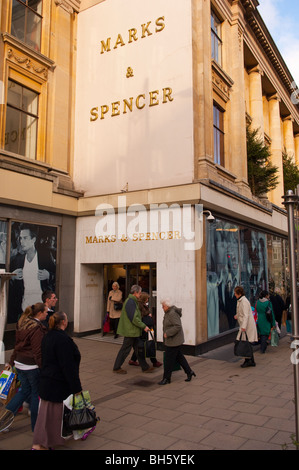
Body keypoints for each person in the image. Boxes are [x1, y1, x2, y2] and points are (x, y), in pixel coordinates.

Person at [32, 312, 82, 450]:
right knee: (53, 416)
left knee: (46, 414)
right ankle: (41, 444)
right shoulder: (62, 340)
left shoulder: (48, 336)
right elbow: (67, 366)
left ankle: (43, 442)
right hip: (57, 383)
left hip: (47, 381)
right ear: (64, 322)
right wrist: (76, 387)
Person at [2, 303, 48, 431]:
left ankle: (3, 420)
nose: (46, 314)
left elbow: (17, 345)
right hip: (31, 366)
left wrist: (11, 362)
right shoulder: (36, 328)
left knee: (23, 391)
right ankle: (36, 427)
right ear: (39, 314)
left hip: (19, 364)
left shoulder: (23, 323)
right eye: (45, 312)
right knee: (35, 394)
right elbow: (37, 351)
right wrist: (43, 368)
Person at [8, 224, 56, 322]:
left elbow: (58, 277)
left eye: (25, 238)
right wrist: (12, 277)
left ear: (33, 239)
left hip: (43, 310)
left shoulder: (45, 256)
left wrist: (49, 275)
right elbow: (10, 286)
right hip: (25, 309)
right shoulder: (17, 260)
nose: (21, 241)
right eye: (20, 238)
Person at [112, 285, 154, 374]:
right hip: (130, 331)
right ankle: (116, 367)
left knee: (139, 349)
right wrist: (144, 326)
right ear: (135, 293)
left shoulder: (132, 301)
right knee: (125, 349)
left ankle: (145, 367)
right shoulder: (131, 302)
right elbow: (134, 318)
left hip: (133, 331)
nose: (140, 294)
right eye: (139, 293)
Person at [158, 298, 195, 385]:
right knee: (179, 357)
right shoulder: (168, 312)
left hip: (173, 341)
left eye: (163, 306)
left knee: (168, 360)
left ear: (168, 306)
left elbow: (178, 326)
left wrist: (168, 333)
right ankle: (189, 372)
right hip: (172, 340)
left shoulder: (172, 313)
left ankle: (166, 378)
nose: (162, 308)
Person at [129, 292, 162, 368]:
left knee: (143, 344)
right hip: (145, 328)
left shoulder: (143, 305)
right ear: (144, 298)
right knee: (149, 343)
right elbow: (139, 317)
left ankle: (133, 359)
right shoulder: (140, 306)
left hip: (147, 327)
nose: (148, 299)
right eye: (147, 298)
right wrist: (147, 315)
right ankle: (154, 361)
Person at [233, 286, 258, 368]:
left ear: (239, 293)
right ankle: (250, 360)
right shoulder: (241, 300)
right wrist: (237, 315)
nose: (234, 295)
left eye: (235, 293)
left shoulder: (244, 301)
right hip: (245, 326)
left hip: (247, 326)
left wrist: (243, 326)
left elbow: (246, 315)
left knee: (246, 344)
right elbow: (242, 313)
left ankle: (248, 360)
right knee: (247, 343)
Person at [256, 290, 276, 354]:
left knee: (261, 333)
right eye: (268, 295)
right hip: (266, 319)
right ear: (266, 295)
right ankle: (262, 349)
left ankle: (262, 346)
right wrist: (273, 323)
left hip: (259, 319)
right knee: (265, 334)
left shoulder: (257, 302)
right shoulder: (268, 303)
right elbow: (271, 313)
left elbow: (256, 310)